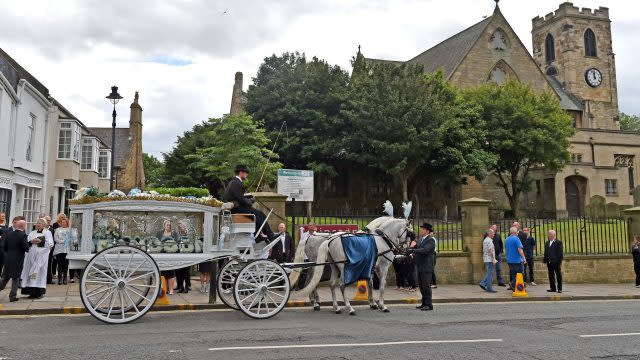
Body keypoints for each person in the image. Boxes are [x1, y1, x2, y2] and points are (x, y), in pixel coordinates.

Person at [223, 164, 275, 242]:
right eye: (246, 172)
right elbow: (240, 199)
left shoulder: (233, 182)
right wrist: (250, 201)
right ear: (241, 172)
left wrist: (248, 198)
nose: (247, 174)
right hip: (238, 208)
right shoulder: (236, 183)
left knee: (258, 214)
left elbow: (238, 197)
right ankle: (270, 235)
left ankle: (259, 235)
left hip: (237, 207)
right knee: (260, 215)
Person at [21, 218, 54, 299]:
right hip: (31, 256)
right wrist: (31, 241)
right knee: (30, 273)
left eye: (40, 223)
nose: (38, 224)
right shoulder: (32, 232)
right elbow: (27, 242)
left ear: (44, 225)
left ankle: (39, 293)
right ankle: (30, 292)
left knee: (39, 274)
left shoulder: (47, 232)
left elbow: (50, 244)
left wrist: (41, 241)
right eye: (37, 223)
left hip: (41, 256)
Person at [407, 223, 436, 311]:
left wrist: (413, 250)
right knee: (421, 286)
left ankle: (429, 305)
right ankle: (424, 303)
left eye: (422, 229)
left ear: (427, 231)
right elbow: (415, 247)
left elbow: (425, 250)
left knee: (426, 286)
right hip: (420, 266)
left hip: (427, 266)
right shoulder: (420, 240)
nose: (421, 230)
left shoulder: (430, 240)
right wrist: (408, 250)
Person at [0, 219, 29, 302]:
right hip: (18, 259)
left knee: (5, 278)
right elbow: (26, 248)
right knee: (16, 278)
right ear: (23, 226)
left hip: (8, 258)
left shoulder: (9, 234)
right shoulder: (23, 235)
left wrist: (8, 253)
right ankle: (12, 296)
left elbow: (4, 246)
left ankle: (12, 295)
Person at [158, 219, 178, 294]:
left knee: (171, 272)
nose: (168, 226)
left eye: (170, 225)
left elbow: (177, 242)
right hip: (162, 254)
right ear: (164, 225)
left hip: (171, 255)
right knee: (163, 272)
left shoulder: (174, 233)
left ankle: (171, 290)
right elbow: (157, 242)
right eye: (167, 225)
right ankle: (165, 289)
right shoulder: (160, 233)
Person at [52, 217, 71, 285]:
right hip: (59, 249)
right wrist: (62, 241)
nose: (63, 223)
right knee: (59, 264)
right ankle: (60, 279)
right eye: (62, 222)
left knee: (66, 264)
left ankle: (65, 278)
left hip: (66, 249)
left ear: (67, 223)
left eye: (64, 222)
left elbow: (70, 238)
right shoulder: (57, 230)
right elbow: (55, 238)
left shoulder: (69, 230)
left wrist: (66, 241)